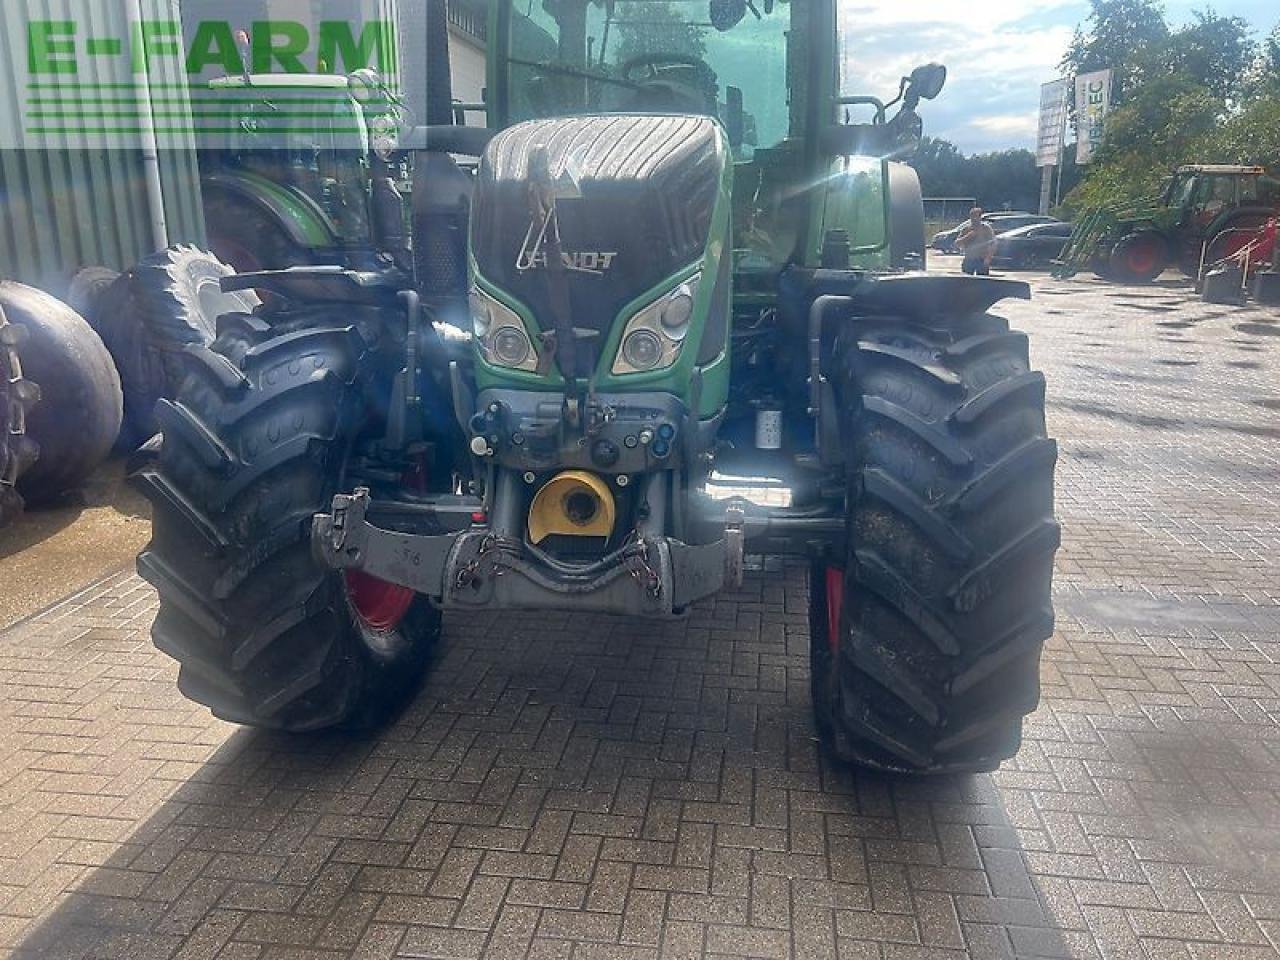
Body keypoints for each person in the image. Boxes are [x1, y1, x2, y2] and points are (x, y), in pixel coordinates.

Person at [957, 207, 996, 276]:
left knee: (982, 283)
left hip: (982, 259)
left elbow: (993, 244)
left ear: (980, 217)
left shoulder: (986, 228)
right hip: (969, 259)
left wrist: (988, 258)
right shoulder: (966, 229)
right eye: (972, 216)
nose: (974, 219)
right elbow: (957, 243)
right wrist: (968, 236)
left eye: (976, 216)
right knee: (965, 282)